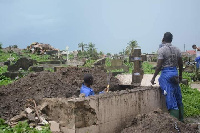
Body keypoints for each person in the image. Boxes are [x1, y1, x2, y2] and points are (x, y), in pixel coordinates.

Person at [151, 32, 184, 122]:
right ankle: (182, 120)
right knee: (178, 96)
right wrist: (180, 75)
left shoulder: (162, 50)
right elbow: (181, 64)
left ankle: (175, 123)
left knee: (170, 98)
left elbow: (158, 66)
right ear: (171, 39)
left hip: (166, 75)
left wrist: (153, 77)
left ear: (163, 39)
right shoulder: (177, 49)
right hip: (175, 73)